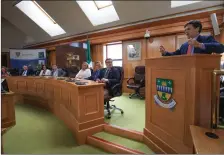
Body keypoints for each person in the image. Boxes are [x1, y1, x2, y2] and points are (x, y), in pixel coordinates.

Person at [160, 20, 224, 56]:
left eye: (188, 29)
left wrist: (200, 45)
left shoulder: (206, 39)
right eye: (185, 30)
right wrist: (165, 52)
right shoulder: (184, 45)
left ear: (197, 29)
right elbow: (175, 54)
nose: (186, 32)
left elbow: (221, 48)